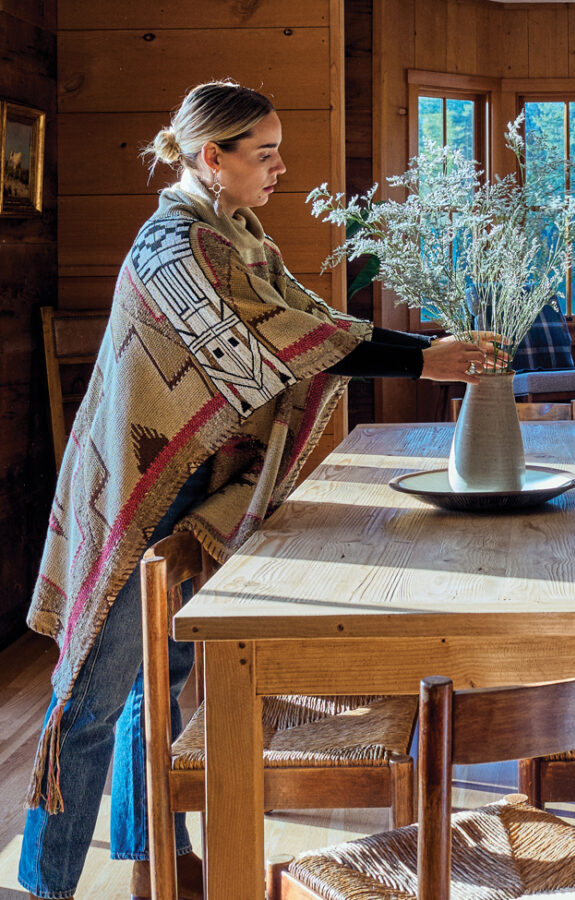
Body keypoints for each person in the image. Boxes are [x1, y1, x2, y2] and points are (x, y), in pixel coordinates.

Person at [19, 80, 492, 900]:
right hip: (138, 484)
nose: (280, 169)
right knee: (92, 695)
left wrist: (425, 348)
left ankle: (155, 864)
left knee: (158, 685)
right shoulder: (177, 248)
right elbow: (275, 343)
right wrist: (421, 360)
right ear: (213, 157)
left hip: (188, 476)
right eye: (264, 154)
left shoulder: (239, 238)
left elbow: (310, 322)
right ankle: (44, 886)